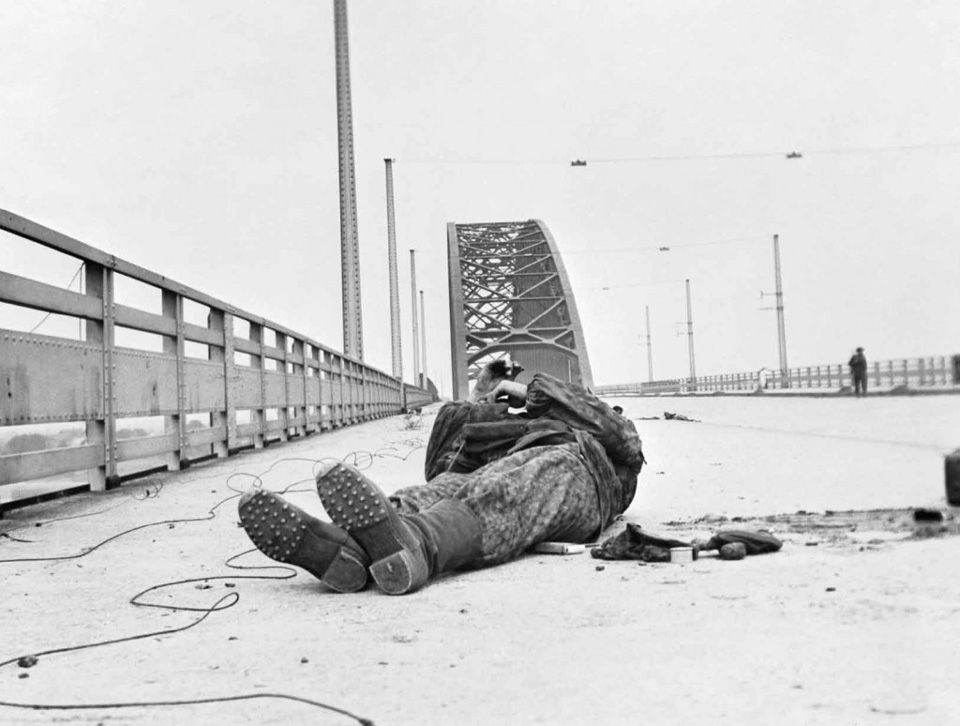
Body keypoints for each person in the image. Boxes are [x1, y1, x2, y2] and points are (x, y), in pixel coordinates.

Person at [238, 361, 645, 595]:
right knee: (429, 492)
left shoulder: (601, 437)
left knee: (507, 488)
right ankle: (348, 554)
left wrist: (528, 392)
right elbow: (441, 468)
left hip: (576, 479)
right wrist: (477, 402)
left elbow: (621, 436)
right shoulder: (509, 426)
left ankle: (418, 549)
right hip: (494, 466)